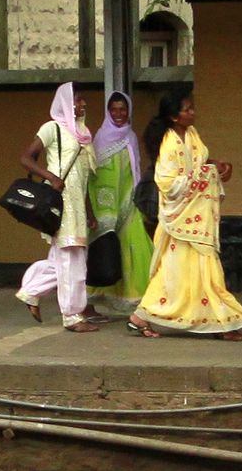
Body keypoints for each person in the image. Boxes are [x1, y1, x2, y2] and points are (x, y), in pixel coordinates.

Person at [127, 88, 242, 341]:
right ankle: (142, 318)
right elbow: (168, 183)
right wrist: (205, 177)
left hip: (196, 220)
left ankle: (217, 322)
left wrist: (216, 166)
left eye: (192, 107)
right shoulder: (169, 142)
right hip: (178, 221)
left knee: (200, 273)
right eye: (187, 109)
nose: (193, 112)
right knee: (174, 275)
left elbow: (199, 163)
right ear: (174, 117)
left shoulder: (192, 134)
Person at [15, 83, 99, 332]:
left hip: (78, 203)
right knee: (72, 260)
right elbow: (25, 158)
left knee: (63, 259)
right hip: (61, 203)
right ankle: (72, 317)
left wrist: (90, 210)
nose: (83, 105)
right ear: (65, 102)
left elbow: (83, 177)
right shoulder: (51, 128)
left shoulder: (83, 133)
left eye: (83, 101)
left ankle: (31, 292)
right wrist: (50, 177)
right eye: (78, 100)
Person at [86, 91, 155, 313]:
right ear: (108, 112)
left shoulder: (131, 137)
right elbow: (93, 176)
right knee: (104, 250)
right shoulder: (100, 138)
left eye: (122, 109)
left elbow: (134, 171)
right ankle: (89, 302)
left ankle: (141, 299)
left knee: (139, 246)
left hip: (128, 203)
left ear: (129, 111)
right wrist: (94, 212)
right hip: (105, 206)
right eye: (113, 109)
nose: (118, 114)